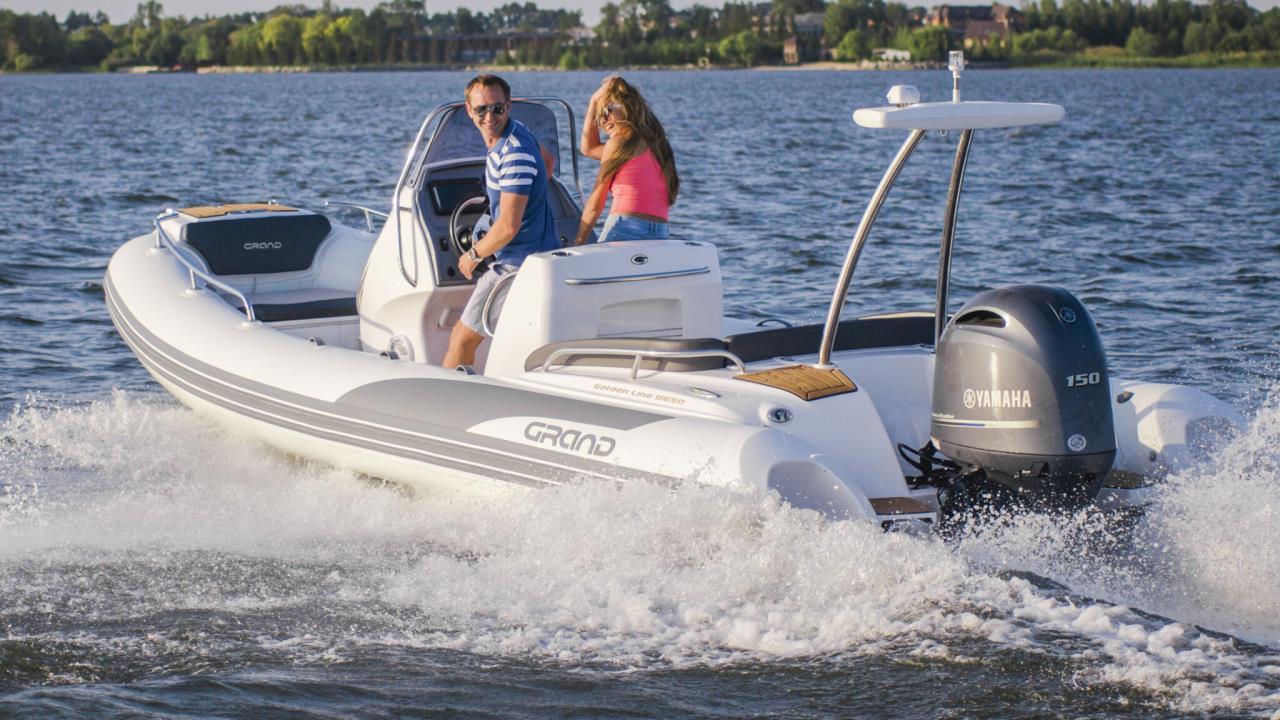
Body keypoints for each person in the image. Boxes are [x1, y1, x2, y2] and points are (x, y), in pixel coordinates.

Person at [442, 74, 559, 369]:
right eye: (481, 109)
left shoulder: (514, 154)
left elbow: (507, 227)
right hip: (538, 255)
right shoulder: (520, 132)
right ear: (469, 110)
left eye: (497, 108)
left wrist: (473, 254)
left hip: (516, 264)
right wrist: (527, 195)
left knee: (462, 339)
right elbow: (547, 165)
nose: (489, 117)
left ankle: (446, 394)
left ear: (508, 106)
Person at [574, 76, 680, 245]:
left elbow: (596, 204)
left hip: (626, 228)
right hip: (660, 232)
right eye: (599, 115)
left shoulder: (618, 144)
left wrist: (579, 241)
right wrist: (594, 102)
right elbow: (588, 149)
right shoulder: (659, 145)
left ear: (627, 109)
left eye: (607, 110)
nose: (602, 120)